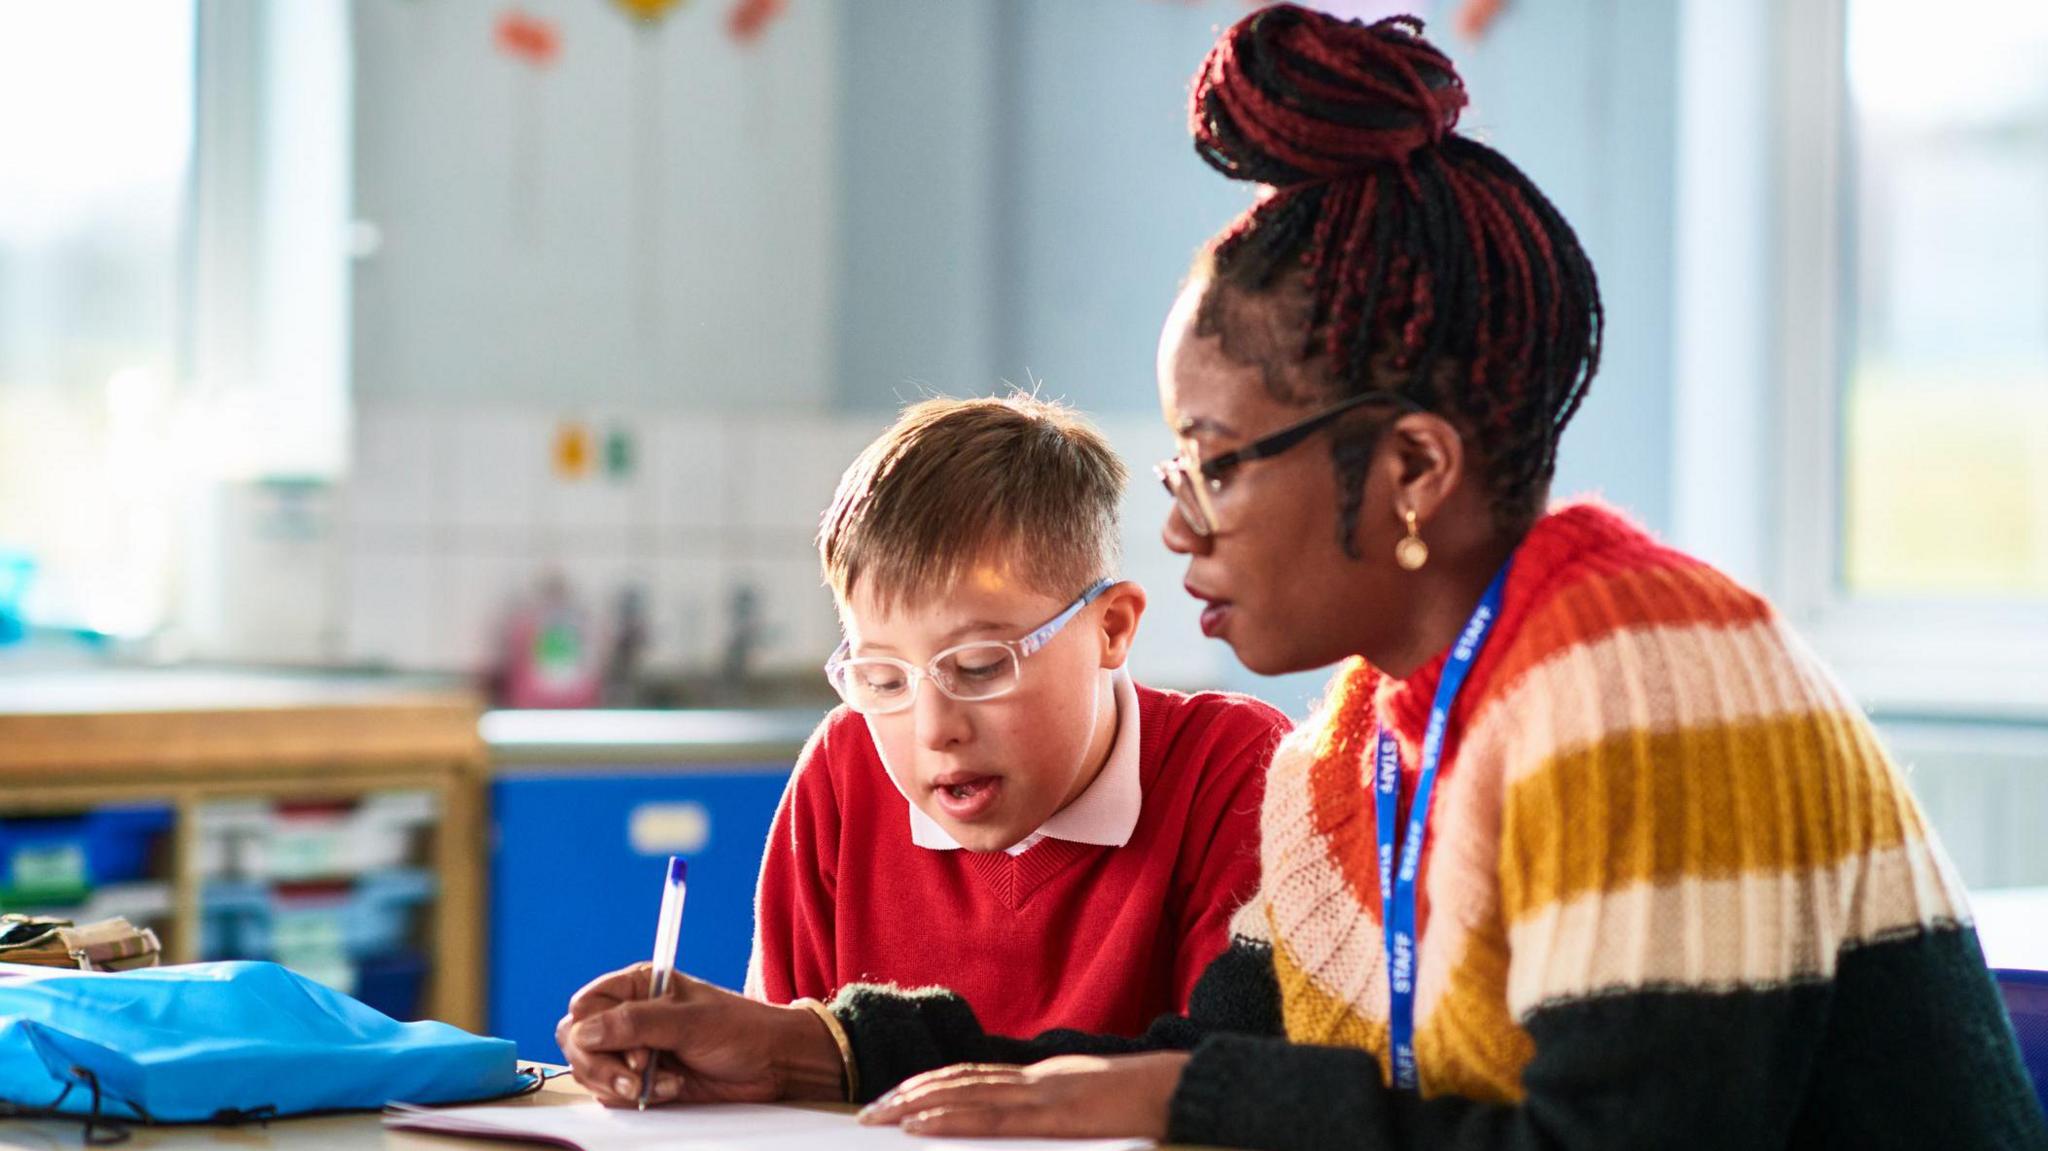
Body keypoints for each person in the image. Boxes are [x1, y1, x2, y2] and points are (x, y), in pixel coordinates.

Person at [559, 9, 2046, 1148]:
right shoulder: (1358, 742)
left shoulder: (1638, 678)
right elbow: (1188, 1050)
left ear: (1408, 470)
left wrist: (1176, 1099)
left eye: (1217, 457)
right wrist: (813, 1049)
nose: (1183, 520)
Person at [740, 393, 1287, 1040]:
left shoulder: (1231, 769)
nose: (932, 728)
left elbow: (1222, 1084)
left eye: (979, 667)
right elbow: (781, 1074)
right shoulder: (844, 769)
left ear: (1110, 627)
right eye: (884, 678)